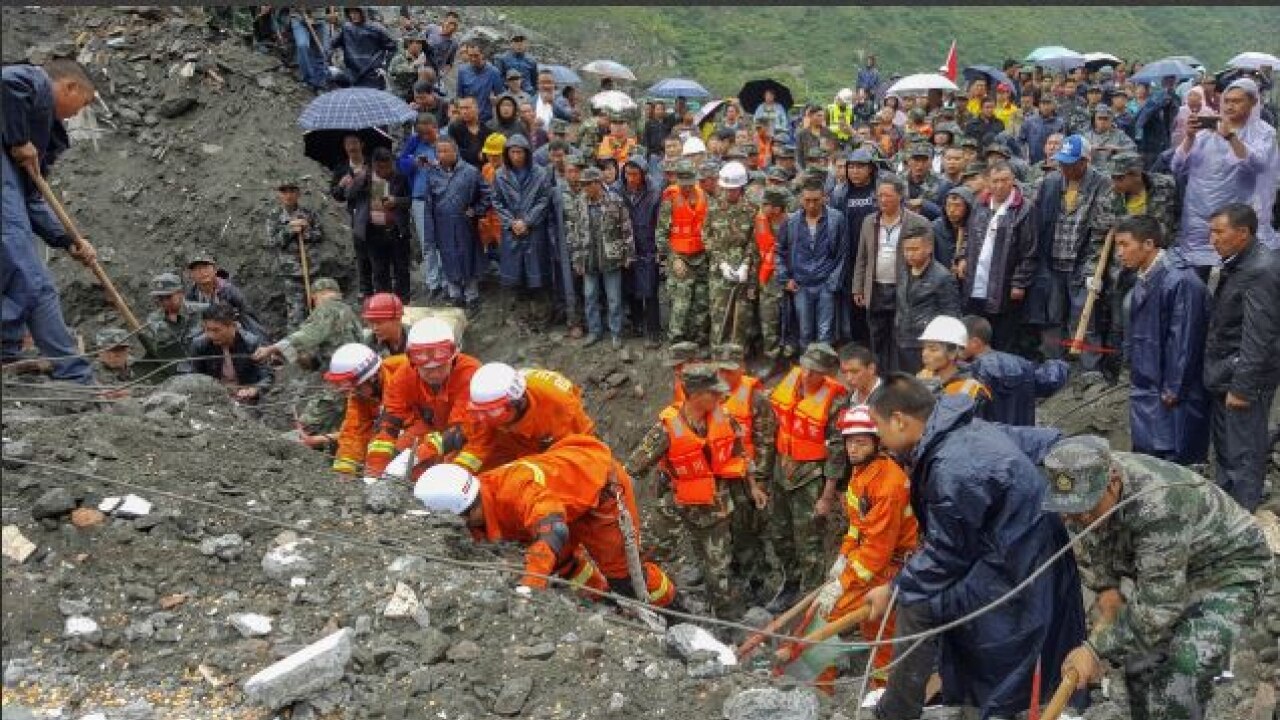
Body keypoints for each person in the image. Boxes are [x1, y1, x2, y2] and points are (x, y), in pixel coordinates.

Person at [863, 376, 1085, 720]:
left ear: (899, 420)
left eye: (877, 425)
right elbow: (1044, 440)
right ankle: (940, 694)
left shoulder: (955, 466)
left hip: (1014, 563)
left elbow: (946, 553)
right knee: (925, 594)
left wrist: (895, 588)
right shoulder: (961, 428)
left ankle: (897, 712)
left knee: (919, 602)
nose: (878, 436)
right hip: (1012, 546)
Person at [1043, 436, 1273, 720]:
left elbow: (1159, 609)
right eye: (1070, 512)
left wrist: (1093, 650)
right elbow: (1102, 548)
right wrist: (1108, 590)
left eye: (1085, 509)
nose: (1077, 518)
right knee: (1140, 662)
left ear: (1112, 484)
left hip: (1231, 570)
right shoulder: (1087, 496)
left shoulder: (1158, 504)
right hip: (1172, 567)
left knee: (1185, 667)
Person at [416, 434, 676, 607]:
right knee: (563, 564)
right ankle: (605, 601)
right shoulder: (479, 494)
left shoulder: (516, 491)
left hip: (598, 489)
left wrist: (531, 584)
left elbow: (553, 528)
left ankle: (671, 605)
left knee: (626, 578)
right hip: (566, 491)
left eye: (469, 517)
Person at [625, 364, 765, 618]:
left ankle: (724, 621)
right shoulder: (667, 429)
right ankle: (639, 601)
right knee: (649, 553)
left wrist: (754, 487)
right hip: (674, 505)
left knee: (718, 568)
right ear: (696, 394)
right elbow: (633, 469)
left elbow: (741, 454)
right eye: (714, 393)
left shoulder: (725, 419)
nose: (721, 397)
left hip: (714, 506)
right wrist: (623, 508)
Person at [2, 59, 98, 384]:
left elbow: (32, 200)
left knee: (28, 286)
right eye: (83, 103)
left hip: (11, 201)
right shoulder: (36, 81)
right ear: (70, 86)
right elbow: (7, 82)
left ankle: (72, 377)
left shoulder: (38, 139)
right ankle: (74, 378)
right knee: (31, 281)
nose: (76, 115)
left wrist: (69, 240)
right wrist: (17, 140)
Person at [810, 405, 918, 686]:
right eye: (849, 441)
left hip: (890, 566)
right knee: (879, 628)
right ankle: (880, 685)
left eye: (861, 442)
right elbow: (858, 527)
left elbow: (877, 552)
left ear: (877, 443)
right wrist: (843, 557)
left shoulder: (888, 484)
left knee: (828, 615)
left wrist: (844, 582)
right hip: (878, 562)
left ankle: (823, 689)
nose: (853, 449)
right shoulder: (862, 473)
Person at [1110, 215, 1210, 464]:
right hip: (1148, 382)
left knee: (1173, 454)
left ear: (1148, 244)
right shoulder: (1144, 277)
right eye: (1117, 246)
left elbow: (1184, 339)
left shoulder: (1180, 281)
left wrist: (1174, 387)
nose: (1119, 253)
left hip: (1170, 388)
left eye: (1125, 245)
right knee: (1149, 454)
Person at [1203, 204, 1280, 511]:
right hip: (1226, 373)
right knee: (1226, 450)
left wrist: (1242, 388)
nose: (1212, 240)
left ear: (1243, 233)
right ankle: (1227, 510)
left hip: (1244, 379)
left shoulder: (1260, 271)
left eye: (1219, 232)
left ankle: (1241, 518)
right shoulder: (1239, 263)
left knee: (1243, 453)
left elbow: (1259, 337)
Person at [765, 343, 849, 612]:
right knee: (779, 534)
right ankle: (790, 582)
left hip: (811, 478)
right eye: (806, 368)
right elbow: (771, 429)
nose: (807, 376)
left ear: (826, 374)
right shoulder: (789, 385)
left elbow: (837, 451)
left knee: (808, 541)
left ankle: (808, 599)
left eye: (815, 372)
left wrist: (827, 496)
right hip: (782, 470)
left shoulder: (836, 399)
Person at [1172, 78, 1279, 270]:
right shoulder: (1207, 132)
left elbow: (1259, 164)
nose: (1230, 106)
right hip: (1199, 217)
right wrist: (1188, 137)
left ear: (1253, 102)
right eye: (1227, 100)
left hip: (1235, 214)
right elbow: (1178, 166)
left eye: (1237, 101)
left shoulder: (1264, 133)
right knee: (1199, 270)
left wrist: (1231, 137)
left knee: (1235, 268)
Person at [1033, 135, 1118, 371]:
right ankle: (1053, 368)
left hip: (1082, 263)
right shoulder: (1049, 183)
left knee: (1084, 318)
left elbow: (1102, 231)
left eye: (1070, 163)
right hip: (1052, 261)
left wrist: (1093, 271)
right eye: (1062, 162)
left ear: (1085, 161)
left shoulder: (1103, 184)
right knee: (1051, 317)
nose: (1065, 168)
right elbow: (1038, 220)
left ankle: (1089, 373)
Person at [363, 317, 479, 479]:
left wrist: (420, 454)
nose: (434, 374)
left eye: (440, 366)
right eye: (426, 369)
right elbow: (388, 425)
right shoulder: (403, 376)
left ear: (454, 356)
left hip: (467, 436)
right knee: (397, 452)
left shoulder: (470, 373)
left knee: (450, 470)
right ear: (413, 363)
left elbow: (462, 429)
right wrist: (374, 471)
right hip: (429, 428)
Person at [442, 362, 597, 475]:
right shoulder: (486, 407)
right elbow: (479, 445)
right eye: (480, 412)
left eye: (492, 412)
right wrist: (458, 474)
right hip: (511, 440)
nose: (484, 419)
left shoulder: (558, 405)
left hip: (550, 447)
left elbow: (582, 447)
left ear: (518, 403)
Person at [714, 343, 777, 602]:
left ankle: (757, 580)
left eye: (730, 369)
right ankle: (733, 574)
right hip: (720, 476)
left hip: (746, 476)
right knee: (724, 528)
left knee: (749, 530)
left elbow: (766, 441)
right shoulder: (711, 393)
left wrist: (759, 480)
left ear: (741, 367)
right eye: (721, 369)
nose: (725, 375)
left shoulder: (755, 397)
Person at [853, 175, 932, 373]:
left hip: (903, 288)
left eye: (887, 195)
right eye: (879, 195)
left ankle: (899, 377)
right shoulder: (869, 221)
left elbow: (928, 261)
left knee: (901, 336)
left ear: (900, 196)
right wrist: (858, 287)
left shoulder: (918, 222)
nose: (883, 200)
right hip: (876, 288)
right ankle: (879, 375)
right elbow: (861, 257)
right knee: (877, 335)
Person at [959, 161, 1037, 354]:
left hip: (1004, 283)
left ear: (1013, 181)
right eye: (995, 181)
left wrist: (1019, 282)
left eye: (1005, 180)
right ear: (987, 182)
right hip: (976, 278)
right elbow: (968, 234)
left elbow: (1030, 250)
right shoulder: (980, 203)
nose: (1000, 185)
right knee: (974, 332)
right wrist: (962, 257)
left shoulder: (1024, 208)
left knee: (1002, 335)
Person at [568, 167, 634, 349]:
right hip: (588, 258)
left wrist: (629, 253)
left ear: (597, 184)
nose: (584, 188)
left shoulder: (615, 201)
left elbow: (626, 227)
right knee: (590, 296)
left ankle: (616, 333)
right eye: (582, 185)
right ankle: (594, 331)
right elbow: (573, 233)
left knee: (614, 298)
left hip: (611, 257)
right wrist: (576, 259)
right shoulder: (579, 203)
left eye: (586, 185)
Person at [777, 180, 849, 349]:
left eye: (816, 200)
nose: (811, 204)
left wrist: (833, 282)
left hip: (826, 283)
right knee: (805, 331)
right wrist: (785, 279)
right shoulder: (791, 222)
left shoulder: (836, 219)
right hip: (801, 284)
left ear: (824, 198)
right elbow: (780, 251)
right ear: (801, 199)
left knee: (825, 332)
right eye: (807, 200)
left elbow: (844, 253)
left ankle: (823, 368)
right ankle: (807, 369)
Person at [961, 314, 1068, 427]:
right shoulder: (1022, 364)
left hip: (987, 439)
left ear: (974, 342)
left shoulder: (972, 372)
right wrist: (1061, 365)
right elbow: (1051, 379)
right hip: (1022, 437)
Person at [322, 342, 409, 476]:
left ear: (373, 377)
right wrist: (343, 472)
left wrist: (376, 471)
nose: (354, 393)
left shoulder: (407, 372)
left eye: (357, 388)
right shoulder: (359, 395)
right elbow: (354, 432)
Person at [426, 137, 490, 316]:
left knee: (468, 258)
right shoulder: (433, 174)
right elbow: (428, 206)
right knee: (447, 258)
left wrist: (476, 210)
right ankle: (455, 296)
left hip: (465, 224)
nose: (442, 154)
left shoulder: (470, 172)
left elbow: (487, 195)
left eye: (446, 150)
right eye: (439, 151)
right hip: (442, 224)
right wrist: (430, 233)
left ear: (455, 152)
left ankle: (472, 297)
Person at [493, 134, 554, 320]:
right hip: (512, 230)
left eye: (520, 152)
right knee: (515, 274)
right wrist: (512, 222)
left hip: (534, 230)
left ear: (527, 153)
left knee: (537, 273)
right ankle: (520, 313)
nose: (516, 156)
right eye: (512, 152)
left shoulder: (540, 174)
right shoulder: (500, 175)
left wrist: (527, 221)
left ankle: (541, 313)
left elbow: (544, 200)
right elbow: (496, 201)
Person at [251, 277, 363, 373]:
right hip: (357, 363)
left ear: (317, 295)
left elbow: (307, 336)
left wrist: (272, 348)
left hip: (342, 368)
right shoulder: (347, 310)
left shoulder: (326, 309)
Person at [657, 160, 711, 346]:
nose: (687, 187)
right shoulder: (670, 198)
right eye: (683, 182)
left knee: (702, 301)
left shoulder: (704, 196)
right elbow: (661, 234)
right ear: (677, 180)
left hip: (702, 257)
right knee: (681, 303)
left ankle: (699, 340)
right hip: (680, 257)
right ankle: (676, 341)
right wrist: (673, 259)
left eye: (690, 182)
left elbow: (709, 228)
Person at [704, 162, 756, 348]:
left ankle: (738, 358)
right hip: (720, 272)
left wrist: (745, 264)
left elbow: (754, 240)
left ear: (742, 187)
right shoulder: (713, 208)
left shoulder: (751, 209)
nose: (729, 193)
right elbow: (707, 237)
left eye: (734, 190)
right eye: (726, 189)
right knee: (718, 314)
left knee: (741, 317)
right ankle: (718, 354)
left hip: (743, 271)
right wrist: (721, 263)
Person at [349, 147, 411, 301]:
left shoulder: (400, 178)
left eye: (388, 167)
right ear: (374, 165)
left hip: (396, 230)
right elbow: (349, 196)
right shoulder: (364, 179)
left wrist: (396, 201)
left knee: (401, 268)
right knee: (379, 270)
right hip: (373, 231)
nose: (384, 171)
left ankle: (403, 302)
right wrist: (356, 181)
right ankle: (384, 302)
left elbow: (410, 200)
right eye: (380, 167)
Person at [895, 229, 960, 375]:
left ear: (929, 248)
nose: (910, 254)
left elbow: (951, 314)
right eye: (906, 250)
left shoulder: (942, 277)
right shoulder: (903, 271)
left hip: (926, 343)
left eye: (915, 249)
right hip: (902, 338)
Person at [185, 303, 273, 405]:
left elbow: (267, 376)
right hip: (215, 400)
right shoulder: (200, 345)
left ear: (233, 326)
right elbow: (195, 376)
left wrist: (254, 390)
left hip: (246, 400)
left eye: (216, 330)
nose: (211, 335)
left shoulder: (251, 343)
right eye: (207, 330)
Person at [266, 180, 325, 327]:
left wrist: (306, 231)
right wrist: (288, 231)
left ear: (298, 194)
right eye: (284, 192)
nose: (288, 195)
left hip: (312, 270)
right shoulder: (274, 216)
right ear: (279, 195)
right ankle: (296, 347)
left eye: (292, 191)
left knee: (319, 311)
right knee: (296, 315)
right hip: (291, 274)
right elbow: (272, 242)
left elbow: (321, 235)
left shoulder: (309, 214)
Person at [620, 155, 662, 348]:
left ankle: (654, 330)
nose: (631, 178)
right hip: (628, 246)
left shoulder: (654, 193)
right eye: (628, 174)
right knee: (631, 287)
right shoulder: (619, 191)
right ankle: (637, 324)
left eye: (635, 174)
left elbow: (659, 221)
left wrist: (658, 247)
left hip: (648, 245)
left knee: (651, 290)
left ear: (643, 175)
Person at [915, 315, 992, 414]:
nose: (924, 354)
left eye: (933, 349)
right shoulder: (924, 375)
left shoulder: (971, 390)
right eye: (924, 348)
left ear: (953, 353)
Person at [183, 251, 266, 340]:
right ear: (191, 274)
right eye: (197, 269)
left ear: (215, 270)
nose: (202, 272)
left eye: (205, 267)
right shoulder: (191, 296)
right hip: (206, 334)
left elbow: (248, 318)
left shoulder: (230, 292)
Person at [139, 272, 207, 377]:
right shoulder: (154, 320)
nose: (165, 302)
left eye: (168, 297)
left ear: (180, 293)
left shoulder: (203, 311)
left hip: (206, 370)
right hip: (174, 375)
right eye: (160, 298)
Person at [751, 188, 788, 359]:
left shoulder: (792, 223)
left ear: (777, 208)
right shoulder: (760, 221)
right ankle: (771, 356)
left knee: (789, 319)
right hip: (767, 280)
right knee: (768, 318)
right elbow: (755, 252)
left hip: (788, 279)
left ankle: (789, 355)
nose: (762, 207)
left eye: (766, 204)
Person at [328, 7, 396, 90]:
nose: (353, 15)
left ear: (363, 12)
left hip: (372, 74)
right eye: (351, 13)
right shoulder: (346, 28)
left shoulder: (376, 29)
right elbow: (331, 45)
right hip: (352, 73)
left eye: (356, 12)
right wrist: (328, 61)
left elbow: (392, 47)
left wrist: (384, 66)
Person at [1134, 75, 1180, 168]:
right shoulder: (1154, 98)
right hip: (1151, 144)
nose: (1170, 83)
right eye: (1167, 80)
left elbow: (1175, 116)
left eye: (1172, 80)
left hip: (1167, 141)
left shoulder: (1176, 98)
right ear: (1162, 82)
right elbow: (1141, 119)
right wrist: (1160, 104)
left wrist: (1170, 104)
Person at [455, 41, 504, 125]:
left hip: (486, 120)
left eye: (476, 55)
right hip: (467, 118)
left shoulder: (494, 72)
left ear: (483, 54)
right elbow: (459, 96)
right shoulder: (462, 71)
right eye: (470, 55)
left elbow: (500, 96)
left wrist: (495, 100)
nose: (473, 59)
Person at [930, 185, 972, 273]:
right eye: (948, 205)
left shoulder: (975, 227)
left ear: (967, 207)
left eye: (957, 206)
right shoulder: (936, 227)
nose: (952, 210)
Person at [1016, 91, 1066, 164]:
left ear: (1053, 105)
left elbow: (1063, 144)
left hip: (1054, 162)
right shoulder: (1029, 122)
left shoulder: (1060, 123)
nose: (1046, 107)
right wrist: (1024, 157)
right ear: (1039, 105)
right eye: (1043, 104)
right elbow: (1020, 141)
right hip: (1033, 162)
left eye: (1048, 104)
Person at [359, 292, 408, 357]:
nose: (374, 328)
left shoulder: (417, 337)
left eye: (379, 323)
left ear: (397, 320)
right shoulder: (368, 344)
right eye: (371, 323)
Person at [388, 35, 429, 100]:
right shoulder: (399, 57)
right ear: (409, 44)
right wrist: (415, 64)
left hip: (411, 96)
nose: (420, 46)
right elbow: (395, 71)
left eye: (421, 43)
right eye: (418, 43)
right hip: (396, 95)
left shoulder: (420, 58)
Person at [423, 11, 460, 76]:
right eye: (450, 23)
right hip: (420, 68)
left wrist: (443, 73)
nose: (452, 27)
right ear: (444, 21)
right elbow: (420, 43)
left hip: (433, 75)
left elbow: (449, 63)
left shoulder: (454, 44)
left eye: (455, 25)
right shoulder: (431, 28)